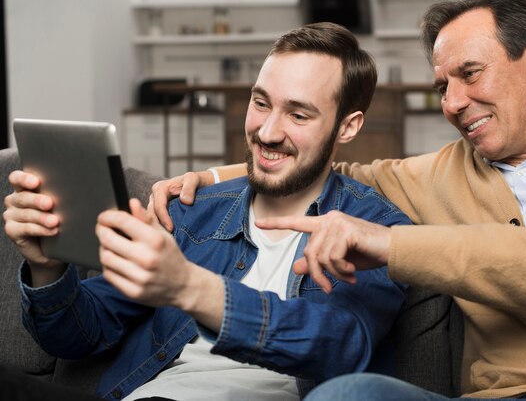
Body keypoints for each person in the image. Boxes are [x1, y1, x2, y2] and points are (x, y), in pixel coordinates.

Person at [149, 0, 526, 401]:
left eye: (471, 73)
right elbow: (323, 161)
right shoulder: (438, 172)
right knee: (348, 393)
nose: (453, 103)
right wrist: (210, 178)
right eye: (443, 86)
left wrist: (392, 247)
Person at [2, 22, 412, 401]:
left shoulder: (375, 229)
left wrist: (190, 287)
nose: (267, 132)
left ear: (347, 127)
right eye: (261, 103)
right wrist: (48, 267)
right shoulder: (191, 211)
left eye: (298, 114)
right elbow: (78, 336)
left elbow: (338, 346)